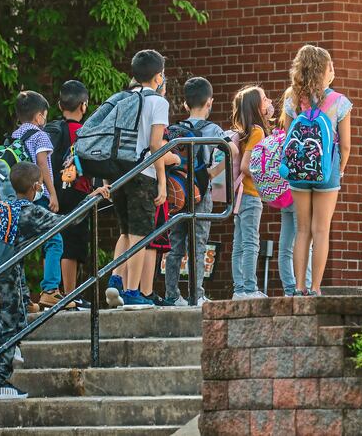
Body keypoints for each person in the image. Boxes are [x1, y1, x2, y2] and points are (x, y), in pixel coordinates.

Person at [0, 162, 110, 399]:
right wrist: (90, 198)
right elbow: (66, 222)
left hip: (2, 269)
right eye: (40, 183)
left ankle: (12, 349)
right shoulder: (29, 211)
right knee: (10, 323)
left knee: (19, 314)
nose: (42, 186)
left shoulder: (4, 207)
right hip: (8, 274)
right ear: (35, 186)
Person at [283, 45, 352, 296]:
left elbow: (288, 138)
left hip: (298, 169)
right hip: (327, 169)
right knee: (321, 229)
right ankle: (315, 288)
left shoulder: (292, 98)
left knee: (302, 230)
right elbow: (345, 145)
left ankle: (298, 286)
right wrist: (339, 170)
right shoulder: (339, 102)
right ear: (326, 69)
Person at [106, 50, 169, 306]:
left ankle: (115, 280)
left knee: (125, 232)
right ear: (158, 76)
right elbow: (156, 144)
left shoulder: (122, 99)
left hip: (121, 173)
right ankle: (132, 292)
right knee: (141, 234)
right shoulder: (158, 102)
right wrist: (162, 180)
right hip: (144, 174)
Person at [163, 77, 226, 307]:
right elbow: (233, 150)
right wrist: (211, 172)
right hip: (201, 192)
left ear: (186, 105)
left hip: (177, 192)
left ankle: (172, 294)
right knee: (199, 243)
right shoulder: (214, 130)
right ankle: (196, 294)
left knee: (175, 243)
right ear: (210, 102)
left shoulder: (174, 130)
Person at [11, 90, 71, 309]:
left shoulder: (13, 137)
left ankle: (22, 297)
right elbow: (42, 165)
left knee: (19, 248)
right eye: (44, 116)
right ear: (38, 117)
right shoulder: (39, 135)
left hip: (17, 199)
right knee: (54, 240)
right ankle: (50, 290)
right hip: (37, 197)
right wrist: (52, 193)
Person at [50, 80, 94, 309]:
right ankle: (70, 295)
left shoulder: (54, 129)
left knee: (58, 242)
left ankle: (56, 291)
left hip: (54, 191)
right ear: (83, 106)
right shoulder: (83, 132)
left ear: (59, 104)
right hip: (76, 192)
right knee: (73, 245)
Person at [230, 85, 274, 300]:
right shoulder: (257, 131)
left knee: (239, 243)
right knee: (250, 243)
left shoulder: (246, 131)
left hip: (240, 195)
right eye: (265, 99)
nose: (269, 103)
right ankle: (249, 288)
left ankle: (239, 289)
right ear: (257, 106)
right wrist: (266, 175)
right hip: (250, 194)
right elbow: (247, 166)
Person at [274, 109, 313, 297]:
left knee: (285, 246)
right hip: (299, 193)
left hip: (284, 194)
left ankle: (290, 288)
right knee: (304, 240)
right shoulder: (303, 134)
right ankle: (304, 286)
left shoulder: (281, 135)